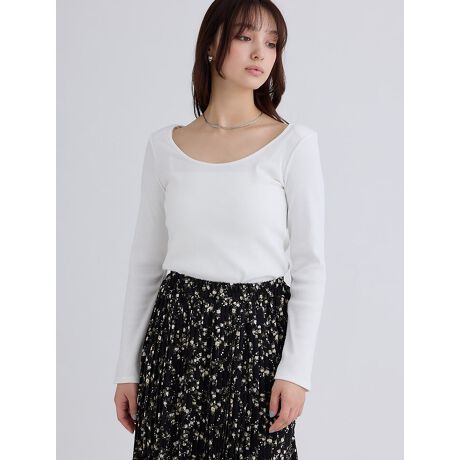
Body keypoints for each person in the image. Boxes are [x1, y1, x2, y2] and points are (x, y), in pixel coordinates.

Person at [113, 1, 326, 458]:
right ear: (211, 44)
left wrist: (296, 371)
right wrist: (127, 369)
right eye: (245, 36)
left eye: (272, 42)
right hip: (176, 335)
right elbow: (145, 264)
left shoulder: (293, 145)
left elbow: (310, 266)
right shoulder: (165, 147)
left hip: (257, 339)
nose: (260, 52)